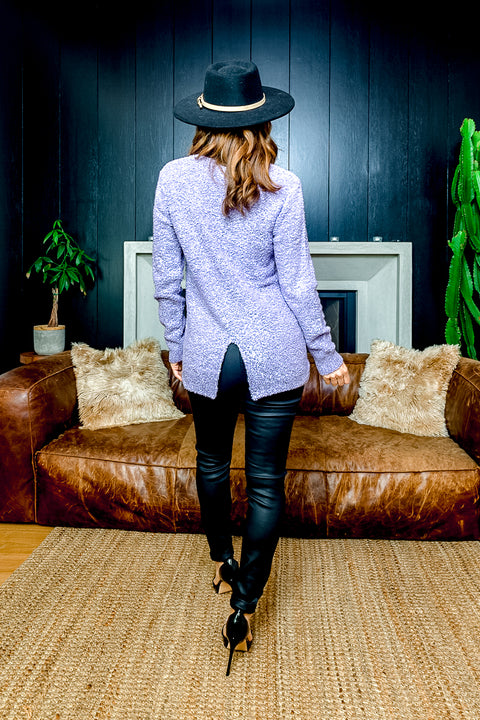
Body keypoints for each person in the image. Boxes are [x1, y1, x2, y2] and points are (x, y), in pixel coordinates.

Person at [152, 60, 350, 676]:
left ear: (202, 120)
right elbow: (299, 283)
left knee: (211, 463)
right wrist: (327, 356)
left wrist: (178, 347)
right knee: (266, 485)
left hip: (208, 352)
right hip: (274, 352)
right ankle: (244, 607)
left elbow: (167, 279)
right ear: (263, 121)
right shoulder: (283, 185)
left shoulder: (172, 180)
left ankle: (222, 561)